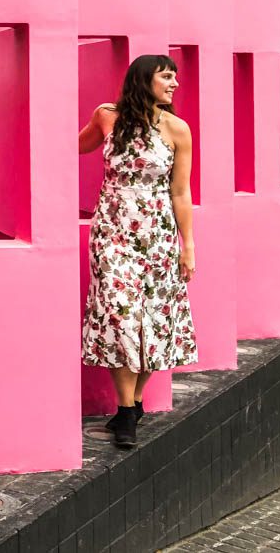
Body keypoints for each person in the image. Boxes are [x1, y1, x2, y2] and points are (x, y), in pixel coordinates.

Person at [77, 54, 198, 449]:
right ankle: (127, 412)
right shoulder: (107, 117)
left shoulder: (178, 130)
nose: (174, 83)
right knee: (119, 311)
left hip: (158, 234)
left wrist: (187, 246)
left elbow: (181, 192)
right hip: (112, 230)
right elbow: (71, 148)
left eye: (175, 78)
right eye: (167, 76)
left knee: (157, 319)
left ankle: (134, 403)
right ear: (144, 79)